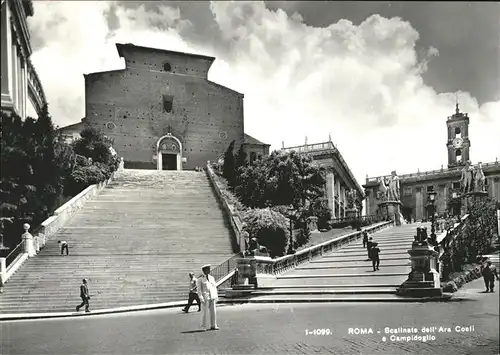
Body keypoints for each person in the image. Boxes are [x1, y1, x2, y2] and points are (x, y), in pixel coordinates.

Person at [197, 264, 219, 331]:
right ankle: (203, 326)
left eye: (209, 269)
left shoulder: (212, 278)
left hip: (212, 296)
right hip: (205, 297)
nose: (209, 270)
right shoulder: (200, 279)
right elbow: (199, 290)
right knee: (204, 313)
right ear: (204, 270)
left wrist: (216, 296)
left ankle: (213, 325)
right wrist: (201, 298)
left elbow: (214, 287)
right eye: (207, 269)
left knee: (213, 312)